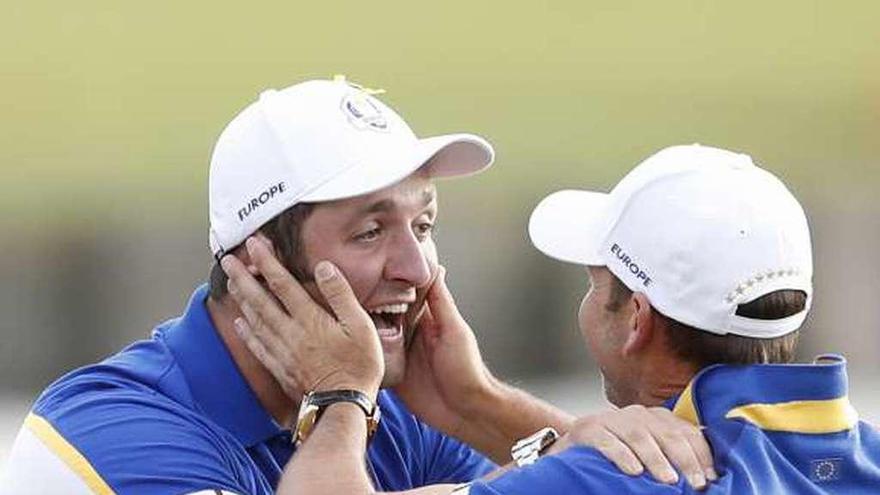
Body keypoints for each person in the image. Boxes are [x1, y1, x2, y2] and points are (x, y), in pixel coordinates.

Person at [1, 79, 711, 494]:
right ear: (259, 266)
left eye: (423, 225)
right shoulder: (109, 436)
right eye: (371, 232)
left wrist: (480, 404)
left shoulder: (392, 412)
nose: (417, 268)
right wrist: (340, 405)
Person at [222, 144, 880, 494]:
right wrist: (476, 403)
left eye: (597, 284)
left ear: (635, 321)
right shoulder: (867, 457)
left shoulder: (603, 484)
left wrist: (337, 395)